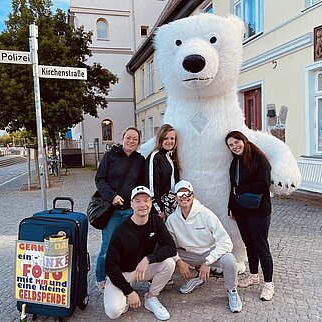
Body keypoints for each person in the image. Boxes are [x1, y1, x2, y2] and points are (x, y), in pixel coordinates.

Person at [165, 180, 243, 313]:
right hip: (189, 254)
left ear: (193, 195)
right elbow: (169, 245)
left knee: (229, 260)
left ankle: (232, 290)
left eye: (188, 193)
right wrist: (179, 262)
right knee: (166, 257)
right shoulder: (172, 220)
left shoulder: (206, 214)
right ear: (176, 197)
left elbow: (226, 242)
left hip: (209, 252)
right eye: (181, 194)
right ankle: (198, 277)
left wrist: (208, 262)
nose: (185, 197)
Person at [104, 186, 176, 321]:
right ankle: (124, 296)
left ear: (151, 203)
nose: (142, 204)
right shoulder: (121, 230)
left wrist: (148, 258)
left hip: (142, 270)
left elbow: (171, 248)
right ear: (131, 204)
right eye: (137, 201)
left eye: (146, 200)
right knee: (113, 312)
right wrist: (129, 292)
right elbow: (109, 266)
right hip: (123, 274)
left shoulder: (156, 222)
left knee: (169, 263)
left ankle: (151, 297)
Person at [225, 130, 275, 301]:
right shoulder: (235, 162)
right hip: (241, 210)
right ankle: (254, 275)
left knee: (261, 246)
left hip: (259, 210)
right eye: (231, 145)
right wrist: (231, 206)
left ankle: (269, 284)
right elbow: (233, 187)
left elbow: (264, 184)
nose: (234, 147)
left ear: (243, 140)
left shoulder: (259, 159)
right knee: (249, 245)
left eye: (236, 142)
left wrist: (242, 189)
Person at [95, 126, 145, 293]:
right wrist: (112, 196)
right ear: (122, 138)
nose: (131, 141)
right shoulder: (110, 156)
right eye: (128, 137)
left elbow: (142, 185)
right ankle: (101, 277)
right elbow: (100, 179)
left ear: (138, 143)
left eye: (135, 139)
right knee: (107, 246)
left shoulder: (140, 160)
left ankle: (120, 276)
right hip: (112, 211)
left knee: (128, 246)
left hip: (130, 211)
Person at [145, 124, 180, 221]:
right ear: (160, 139)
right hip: (160, 208)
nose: (169, 141)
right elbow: (151, 186)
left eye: (172, 138)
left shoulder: (172, 157)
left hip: (173, 205)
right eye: (166, 138)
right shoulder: (155, 157)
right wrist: (159, 210)